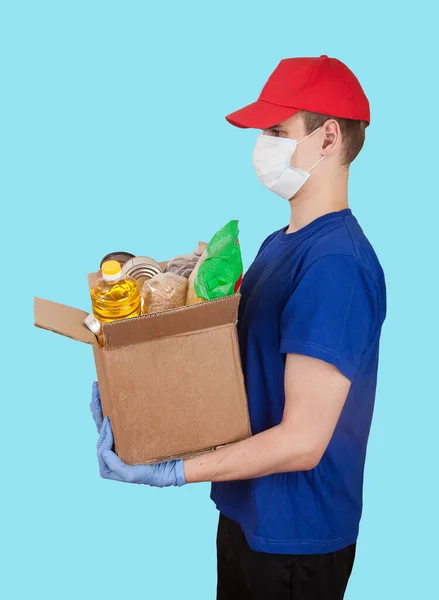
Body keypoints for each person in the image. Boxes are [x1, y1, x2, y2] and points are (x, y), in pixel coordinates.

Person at [90, 55, 387, 599]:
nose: (263, 145)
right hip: (250, 514)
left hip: (297, 540)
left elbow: (303, 442)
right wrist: (138, 383)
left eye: (277, 130)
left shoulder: (336, 267)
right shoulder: (281, 244)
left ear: (327, 139)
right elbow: (229, 365)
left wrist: (174, 471)